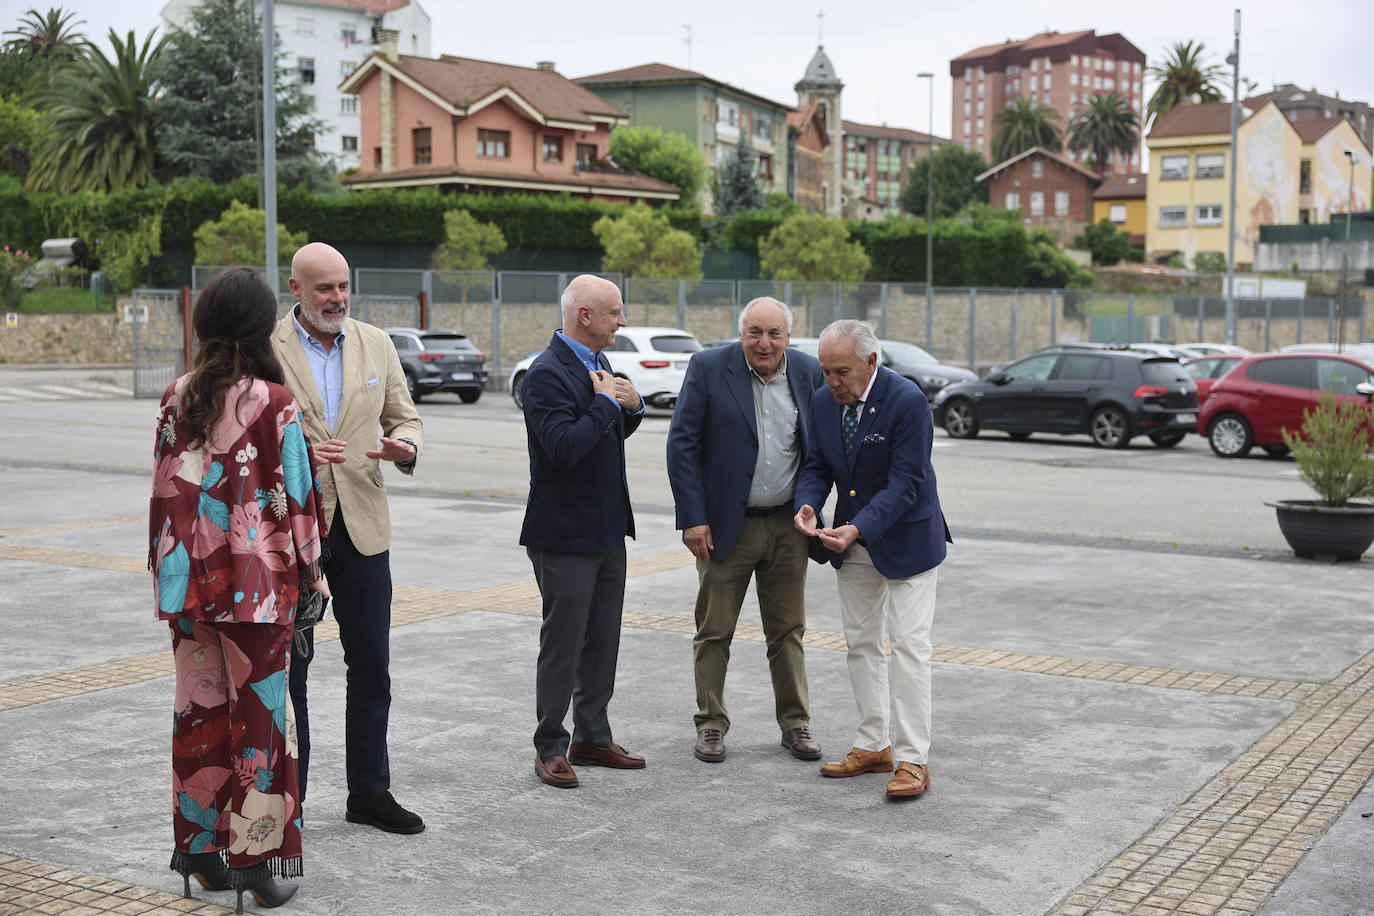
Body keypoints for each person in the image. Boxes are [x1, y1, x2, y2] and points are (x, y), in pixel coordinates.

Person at [150, 267, 329, 912]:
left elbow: (164, 495)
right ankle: (258, 863)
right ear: (261, 327)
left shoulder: (177, 395)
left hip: (189, 588)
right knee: (260, 724)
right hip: (258, 591)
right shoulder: (275, 402)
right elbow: (299, 503)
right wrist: (312, 568)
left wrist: (169, 577)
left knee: (198, 720)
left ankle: (201, 855)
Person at [273, 242, 426, 834]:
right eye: (324, 289)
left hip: (362, 523)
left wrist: (404, 447)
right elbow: (251, 434)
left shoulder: (376, 342)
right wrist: (297, 453)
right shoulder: (268, 350)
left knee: (372, 667)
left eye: (343, 287)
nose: (337, 298)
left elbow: (404, 416)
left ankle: (369, 793)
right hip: (291, 527)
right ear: (296, 290)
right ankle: (294, 800)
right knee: (291, 671)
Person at [793, 319, 952, 800]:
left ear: (871, 362)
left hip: (906, 539)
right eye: (825, 371)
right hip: (849, 539)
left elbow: (908, 482)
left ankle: (912, 760)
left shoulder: (907, 401)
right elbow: (817, 464)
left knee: (908, 647)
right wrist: (808, 504)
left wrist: (859, 526)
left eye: (840, 371)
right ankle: (872, 744)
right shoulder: (823, 402)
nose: (831, 382)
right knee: (861, 643)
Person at [666, 297, 827, 763]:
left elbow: (816, 451)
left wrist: (813, 507)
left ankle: (796, 724)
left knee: (788, 631)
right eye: (755, 332)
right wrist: (693, 518)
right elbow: (683, 445)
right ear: (741, 334)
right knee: (715, 631)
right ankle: (711, 724)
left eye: (774, 333)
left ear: (788, 337)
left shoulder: (806, 371)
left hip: (787, 526)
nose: (764, 342)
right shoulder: (708, 367)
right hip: (721, 528)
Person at [519, 274, 647, 788]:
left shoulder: (599, 363)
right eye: (615, 312)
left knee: (603, 640)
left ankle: (592, 735)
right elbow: (564, 448)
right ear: (586, 316)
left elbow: (605, 432)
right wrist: (604, 404)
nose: (623, 321)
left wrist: (630, 408)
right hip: (563, 534)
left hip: (607, 529)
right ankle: (550, 743)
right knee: (564, 642)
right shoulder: (545, 373)